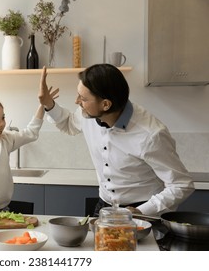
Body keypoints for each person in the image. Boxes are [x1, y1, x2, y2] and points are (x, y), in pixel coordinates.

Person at [38, 64, 195, 216]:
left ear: (105, 104)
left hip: (142, 210)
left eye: (83, 98)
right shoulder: (88, 114)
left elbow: (181, 184)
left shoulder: (151, 134)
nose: (77, 101)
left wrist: (142, 211)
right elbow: (69, 125)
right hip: (104, 206)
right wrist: (48, 104)